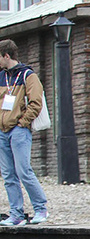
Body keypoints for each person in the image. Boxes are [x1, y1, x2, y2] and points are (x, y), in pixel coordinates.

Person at [0, 39, 48, 226]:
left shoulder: (28, 75)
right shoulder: (1, 76)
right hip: (2, 131)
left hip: (18, 131)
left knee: (23, 171)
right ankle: (16, 214)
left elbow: (36, 102)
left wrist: (22, 123)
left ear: (6, 55)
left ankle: (40, 208)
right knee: (8, 175)